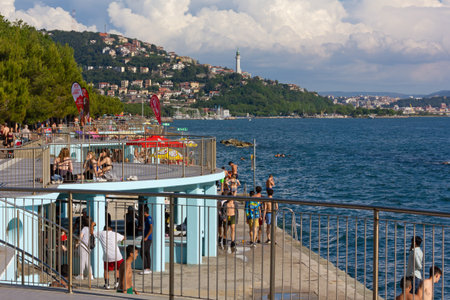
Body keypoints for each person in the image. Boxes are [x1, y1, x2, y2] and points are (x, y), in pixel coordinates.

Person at [94, 225, 125, 289]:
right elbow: (124, 238)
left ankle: (107, 284)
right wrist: (121, 241)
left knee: (106, 270)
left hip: (107, 256)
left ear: (104, 229)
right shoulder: (115, 234)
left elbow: (91, 232)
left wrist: (92, 225)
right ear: (111, 229)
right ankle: (116, 283)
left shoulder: (101, 233)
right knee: (117, 269)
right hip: (117, 256)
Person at [140, 206, 152, 275]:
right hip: (145, 237)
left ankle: (146, 268)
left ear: (144, 212)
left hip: (147, 238)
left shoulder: (149, 218)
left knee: (142, 252)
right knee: (147, 252)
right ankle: (147, 268)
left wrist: (146, 237)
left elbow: (151, 228)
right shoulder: (146, 219)